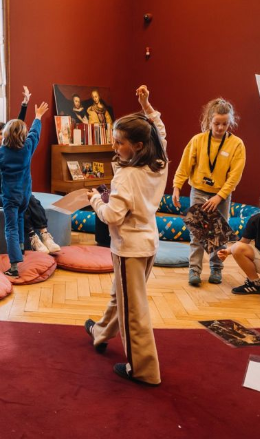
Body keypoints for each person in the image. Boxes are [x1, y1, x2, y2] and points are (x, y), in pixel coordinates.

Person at [84, 85, 167, 387]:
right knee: (122, 296)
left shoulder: (126, 175)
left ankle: (143, 370)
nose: (115, 147)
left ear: (139, 146)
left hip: (129, 248)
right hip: (148, 244)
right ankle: (101, 332)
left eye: (120, 143)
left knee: (134, 311)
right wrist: (147, 106)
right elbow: (160, 131)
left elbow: (112, 216)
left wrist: (95, 199)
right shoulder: (159, 163)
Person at [172, 97, 246, 286]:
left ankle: (216, 269)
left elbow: (234, 176)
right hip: (198, 191)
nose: (220, 128)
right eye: (216, 123)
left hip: (222, 194)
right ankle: (194, 270)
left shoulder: (237, 144)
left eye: (225, 124)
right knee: (197, 234)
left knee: (218, 234)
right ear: (208, 121)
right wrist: (177, 186)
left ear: (230, 122)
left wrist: (219, 196)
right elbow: (184, 166)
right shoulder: (198, 140)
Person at [0, 88, 60, 255]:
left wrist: (24, 105)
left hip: (16, 190)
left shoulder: (15, 149)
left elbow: (18, 125)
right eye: (0, 134)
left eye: (5, 133)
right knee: (18, 203)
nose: (3, 136)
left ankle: (44, 234)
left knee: (32, 201)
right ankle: (32, 236)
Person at [0, 100, 50, 277]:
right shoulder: (27, 148)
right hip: (25, 196)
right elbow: (35, 133)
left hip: (10, 197)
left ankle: (14, 266)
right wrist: (38, 117)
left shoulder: (0, 153)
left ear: (6, 134)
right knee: (20, 219)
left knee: (11, 229)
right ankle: (22, 248)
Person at [217, 190, 260, 295]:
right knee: (238, 248)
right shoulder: (256, 220)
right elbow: (243, 243)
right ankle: (255, 283)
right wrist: (227, 251)